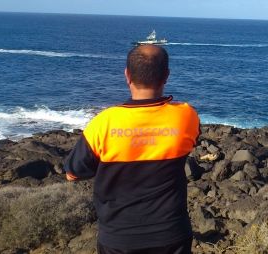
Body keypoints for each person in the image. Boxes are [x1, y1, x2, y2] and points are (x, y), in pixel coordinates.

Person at [63, 45, 200, 254]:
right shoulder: (186, 116)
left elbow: (73, 173)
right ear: (166, 76)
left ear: (127, 75)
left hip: (119, 238)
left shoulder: (104, 123)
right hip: (171, 234)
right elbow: (192, 142)